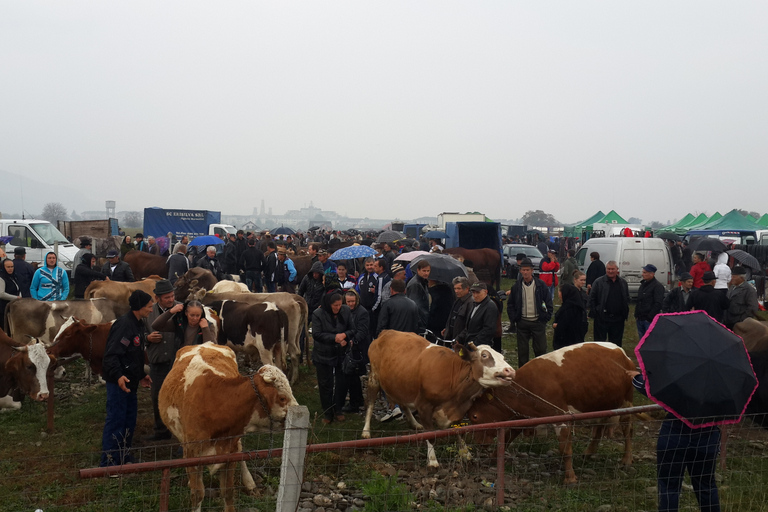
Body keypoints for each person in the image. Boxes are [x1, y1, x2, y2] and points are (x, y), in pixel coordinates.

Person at [629, 370, 722, 512]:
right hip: (707, 435)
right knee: (706, 486)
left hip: (675, 433)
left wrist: (636, 378)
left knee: (669, 487)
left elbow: (653, 389)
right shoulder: (719, 378)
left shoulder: (679, 369)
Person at [100, 290, 153, 467]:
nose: (151, 310)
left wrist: (141, 375)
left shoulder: (139, 324)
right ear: (139, 307)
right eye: (149, 306)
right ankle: (109, 462)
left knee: (129, 420)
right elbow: (112, 355)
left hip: (131, 381)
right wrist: (119, 376)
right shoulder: (124, 325)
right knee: (116, 419)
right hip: (119, 383)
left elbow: (133, 355)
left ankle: (124, 455)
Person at [143, 279, 180, 441]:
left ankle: (181, 434)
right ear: (157, 298)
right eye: (167, 297)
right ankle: (161, 431)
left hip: (177, 362)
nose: (171, 300)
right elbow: (137, 334)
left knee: (180, 398)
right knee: (157, 396)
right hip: (157, 361)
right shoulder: (148, 312)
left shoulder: (182, 309)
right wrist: (147, 338)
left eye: (172, 296)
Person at [312, 292, 355, 424]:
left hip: (341, 353)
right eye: (335, 305)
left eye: (340, 305)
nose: (338, 308)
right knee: (326, 384)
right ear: (329, 304)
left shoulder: (346, 311)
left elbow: (352, 329)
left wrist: (345, 337)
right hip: (323, 353)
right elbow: (317, 334)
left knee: (341, 383)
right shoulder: (318, 314)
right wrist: (334, 338)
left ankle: (338, 409)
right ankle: (328, 411)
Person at [507, 258, 553, 366]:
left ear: (532, 270)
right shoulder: (516, 287)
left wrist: (545, 317)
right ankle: (524, 374)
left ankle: (540, 371)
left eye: (528, 270)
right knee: (522, 352)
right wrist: (514, 318)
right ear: (520, 271)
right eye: (523, 270)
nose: (525, 272)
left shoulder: (541, 285)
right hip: (522, 322)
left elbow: (548, 302)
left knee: (541, 350)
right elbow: (510, 304)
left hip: (538, 322)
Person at [589, 260, 629, 346]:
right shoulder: (598, 282)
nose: (610, 271)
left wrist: (624, 313)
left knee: (616, 344)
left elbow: (626, 298)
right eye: (608, 269)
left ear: (617, 269)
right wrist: (596, 311)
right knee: (600, 344)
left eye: (613, 269)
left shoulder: (622, 283)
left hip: (618, 319)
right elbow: (592, 298)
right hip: (602, 318)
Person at [342, 290, 368, 413]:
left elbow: (362, 331)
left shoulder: (362, 313)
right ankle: (357, 399)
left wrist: (353, 341)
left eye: (352, 301)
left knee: (352, 376)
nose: (350, 304)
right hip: (347, 347)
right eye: (348, 302)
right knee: (352, 376)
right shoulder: (344, 311)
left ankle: (354, 403)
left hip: (357, 349)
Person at [456, 282, 497, 348]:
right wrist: (460, 338)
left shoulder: (490, 306)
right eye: (473, 293)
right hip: (469, 344)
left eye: (478, 293)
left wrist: (475, 343)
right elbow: (469, 327)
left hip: (480, 347)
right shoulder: (474, 304)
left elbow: (488, 330)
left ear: (485, 292)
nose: (475, 295)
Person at [552, 283, 588, 350]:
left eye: (560, 292)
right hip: (577, 343)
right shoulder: (579, 307)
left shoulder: (568, 310)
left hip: (566, 345)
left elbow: (564, 326)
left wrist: (556, 325)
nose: (559, 294)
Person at [634, 264, 665, 339]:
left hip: (648, 320)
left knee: (649, 340)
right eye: (643, 272)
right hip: (640, 318)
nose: (642, 274)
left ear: (652, 274)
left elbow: (658, 303)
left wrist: (649, 317)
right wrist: (636, 314)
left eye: (645, 272)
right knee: (641, 340)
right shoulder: (643, 285)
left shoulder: (658, 286)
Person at [406, 260, 431, 333]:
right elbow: (415, 305)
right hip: (418, 323)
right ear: (418, 270)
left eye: (428, 271)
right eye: (424, 271)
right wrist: (420, 323)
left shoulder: (422, 282)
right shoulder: (416, 284)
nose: (426, 273)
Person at [0, 258, 21, 326]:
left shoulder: (13, 277)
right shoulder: (1, 278)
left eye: (12, 267)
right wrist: (16, 298)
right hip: (3, 308)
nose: (10, 269)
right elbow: (1, 294)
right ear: (3, 267)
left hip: (13, 307)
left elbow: (18, 289)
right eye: (8, 267)